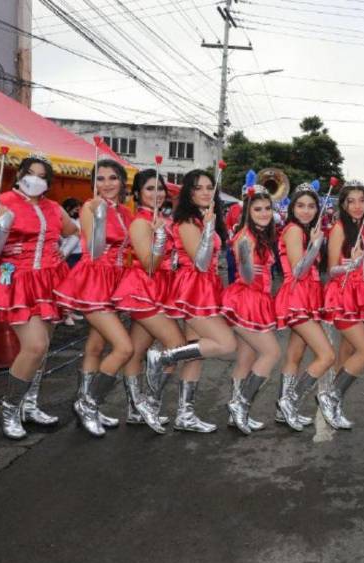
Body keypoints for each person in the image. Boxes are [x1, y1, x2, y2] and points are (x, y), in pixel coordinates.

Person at [0, 154, 78, 439]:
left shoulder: (53, 208)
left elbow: (74, 232)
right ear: (18, 174)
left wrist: (63, 251)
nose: (35, 180)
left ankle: (29, 404)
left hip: (50, 280)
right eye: (30, 173)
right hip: (17, 281)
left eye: (42, 176)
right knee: (35, 345)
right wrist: (0, 234)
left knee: (44, 344)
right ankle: (8, 407)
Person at [148, 169, 238, 433]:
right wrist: (209, 227)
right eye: (198, 187)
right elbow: (199, 262)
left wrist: (211, 225)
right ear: (188, 191)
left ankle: (184, 414)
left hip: (207, 286)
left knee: (195, 354)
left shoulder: (202, 218)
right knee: (225, 343)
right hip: (194, 287)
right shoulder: (188, 221)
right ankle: (163, 357)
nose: (205, 192)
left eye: (209, 187)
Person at [54, 159, 135, 437]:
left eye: (113, 178)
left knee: (95, 347)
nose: (107, 184)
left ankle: (89, 405)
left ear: (122, 181)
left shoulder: (126, 212)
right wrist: (99, 217)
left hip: (115, 284)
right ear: (93, 183)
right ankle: (87, 403)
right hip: (93, 282)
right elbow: (95, 249)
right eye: (100, 179)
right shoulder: (90, 207)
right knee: (124, 348)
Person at [111, 168, 187, 433]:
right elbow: (149, 264)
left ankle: (134, 409)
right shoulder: (141, 222)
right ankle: (149, 404)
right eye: (150, 189)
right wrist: (163, 238)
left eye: (160, 188)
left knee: (136, 350)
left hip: (160, 291)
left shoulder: (162, 219)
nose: (157, 194)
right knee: (175, 345)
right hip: (143, 290)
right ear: (137, 194)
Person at [320, 180, 364, 429]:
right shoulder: (339, 229)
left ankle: (334, 402)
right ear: (343, 204)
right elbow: (331, 270)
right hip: (342, 295)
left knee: (347, 352)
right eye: (352, 201)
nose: (358, 206)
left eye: (362, 200)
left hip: (361, 295)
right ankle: (329, 397)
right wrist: (353, 264)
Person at [274, 183, 336, 432]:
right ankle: (288, 401)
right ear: (292, 207)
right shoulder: (293, 231)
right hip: (296, 297)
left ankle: (282, 411)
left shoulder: (305, 231)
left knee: (294, 356)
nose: (307, 211)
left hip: (308, 297)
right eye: (301, 205)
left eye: (311, 206)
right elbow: (298, 270)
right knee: (327, 356)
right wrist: (314, 245)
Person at [220, 185, 281, 434]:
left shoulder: (260, 235)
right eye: (258, 209)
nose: (264, 213)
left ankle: (237, 413)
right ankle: (239, 405)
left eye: (267, 208)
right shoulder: (246, 236)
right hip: (245, 299)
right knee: (272, 353)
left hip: (257, 299)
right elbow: (244, 276)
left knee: (246, 358)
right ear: (248, 210)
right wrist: (249, 268)